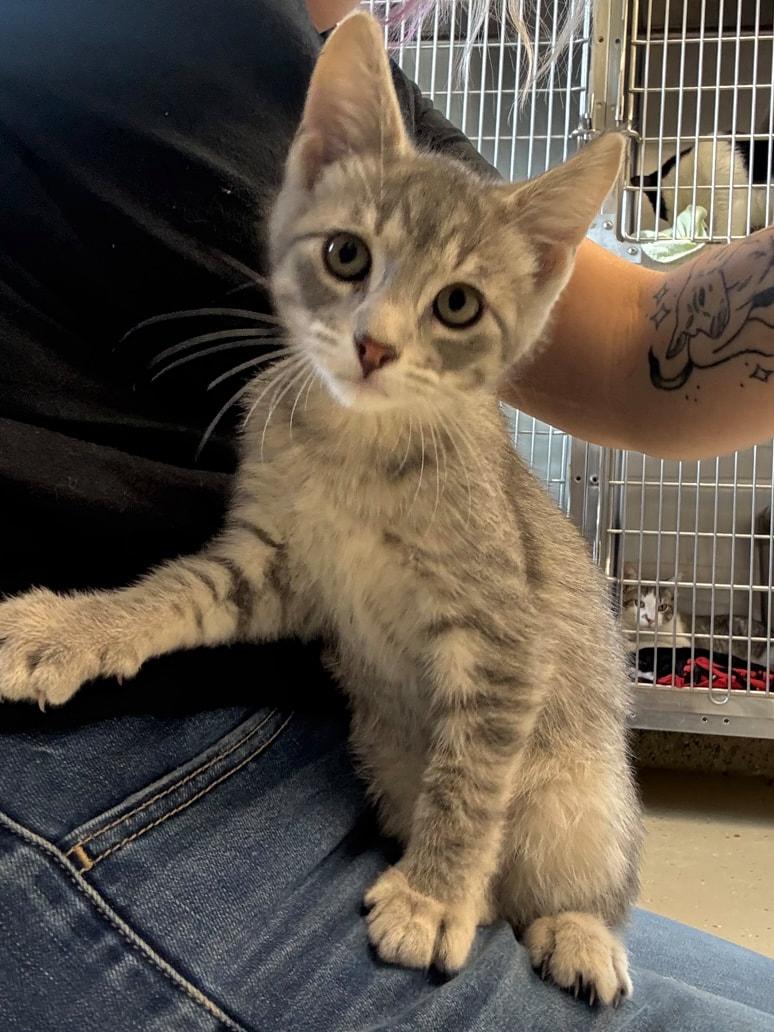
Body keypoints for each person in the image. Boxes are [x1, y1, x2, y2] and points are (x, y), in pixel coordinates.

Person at [1, 2, 773, 1029]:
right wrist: (97, 626)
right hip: (137, 780)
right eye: (351, 263)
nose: (376, 338)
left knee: (619, 902)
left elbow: (636, 356)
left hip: (472, 776)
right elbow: (268, 572)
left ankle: (566, 909)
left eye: (453, 305)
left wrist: (455, 881)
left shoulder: (386, 128)